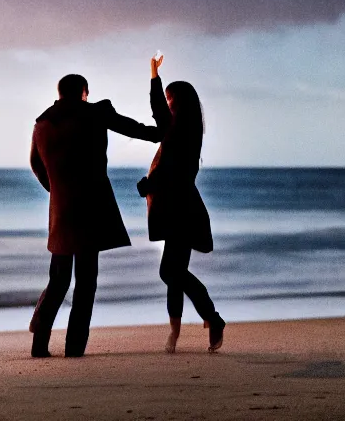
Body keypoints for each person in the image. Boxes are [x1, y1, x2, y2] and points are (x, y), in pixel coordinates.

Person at [29, 73, 161, 358]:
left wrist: (55, 191)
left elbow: (35, 164)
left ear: (60, 93)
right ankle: (74, 348)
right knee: (86, 281)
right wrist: (166, 133)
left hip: (61, 209)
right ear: (84, 92)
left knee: (58, 278)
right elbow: (135, 130)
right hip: (90, 207)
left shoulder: (41, 124)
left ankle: (39, 343)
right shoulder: (95, 113)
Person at [137, 55, 225, 353]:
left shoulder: (180, 131)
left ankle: (210, 318)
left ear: (177, 102)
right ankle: (178, 333)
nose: (165, 103)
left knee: (170, 272)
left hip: (181, 210)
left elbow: (172, 171)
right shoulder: (183, 130)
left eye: (168, 98)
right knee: (173, 272)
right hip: (180, 208)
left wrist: (153, 75)